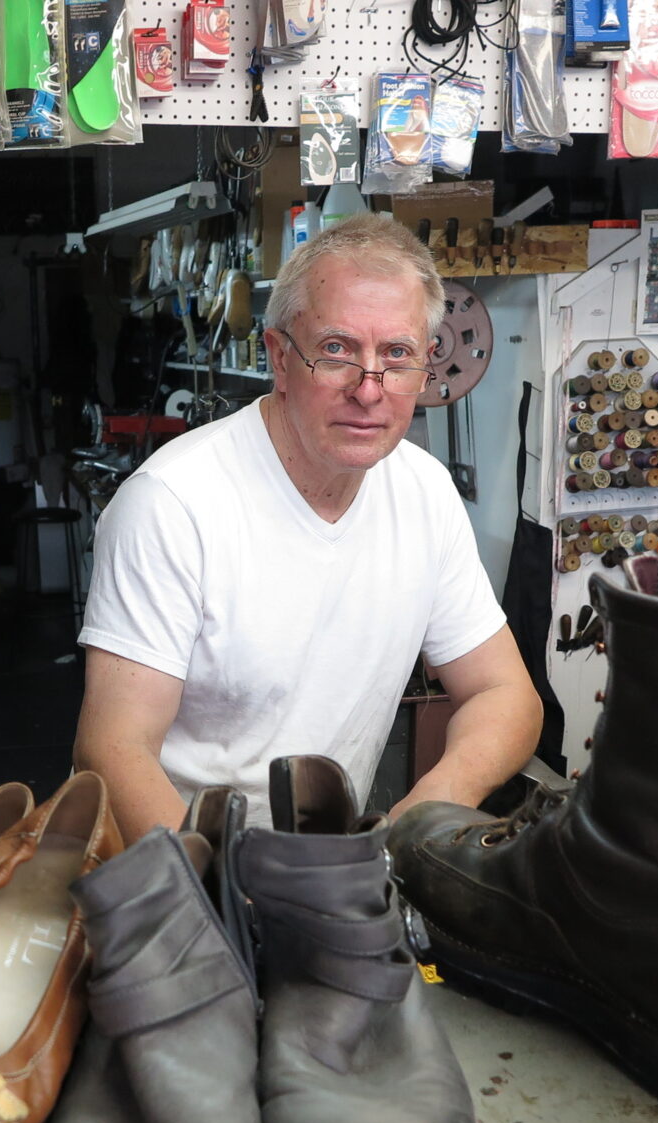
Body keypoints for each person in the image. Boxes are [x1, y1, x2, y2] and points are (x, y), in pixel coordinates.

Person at [73, 213, 542, 832]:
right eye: (337, 351)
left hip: (323, 862)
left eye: (396, 355)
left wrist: (420, 817)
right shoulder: (173, 504)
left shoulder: (424, 491)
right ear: (279, 358)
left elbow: (505, 694)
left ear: (426, 365)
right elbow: (112, 750)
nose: (368, 389)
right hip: (175, 865)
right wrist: (224, 892)